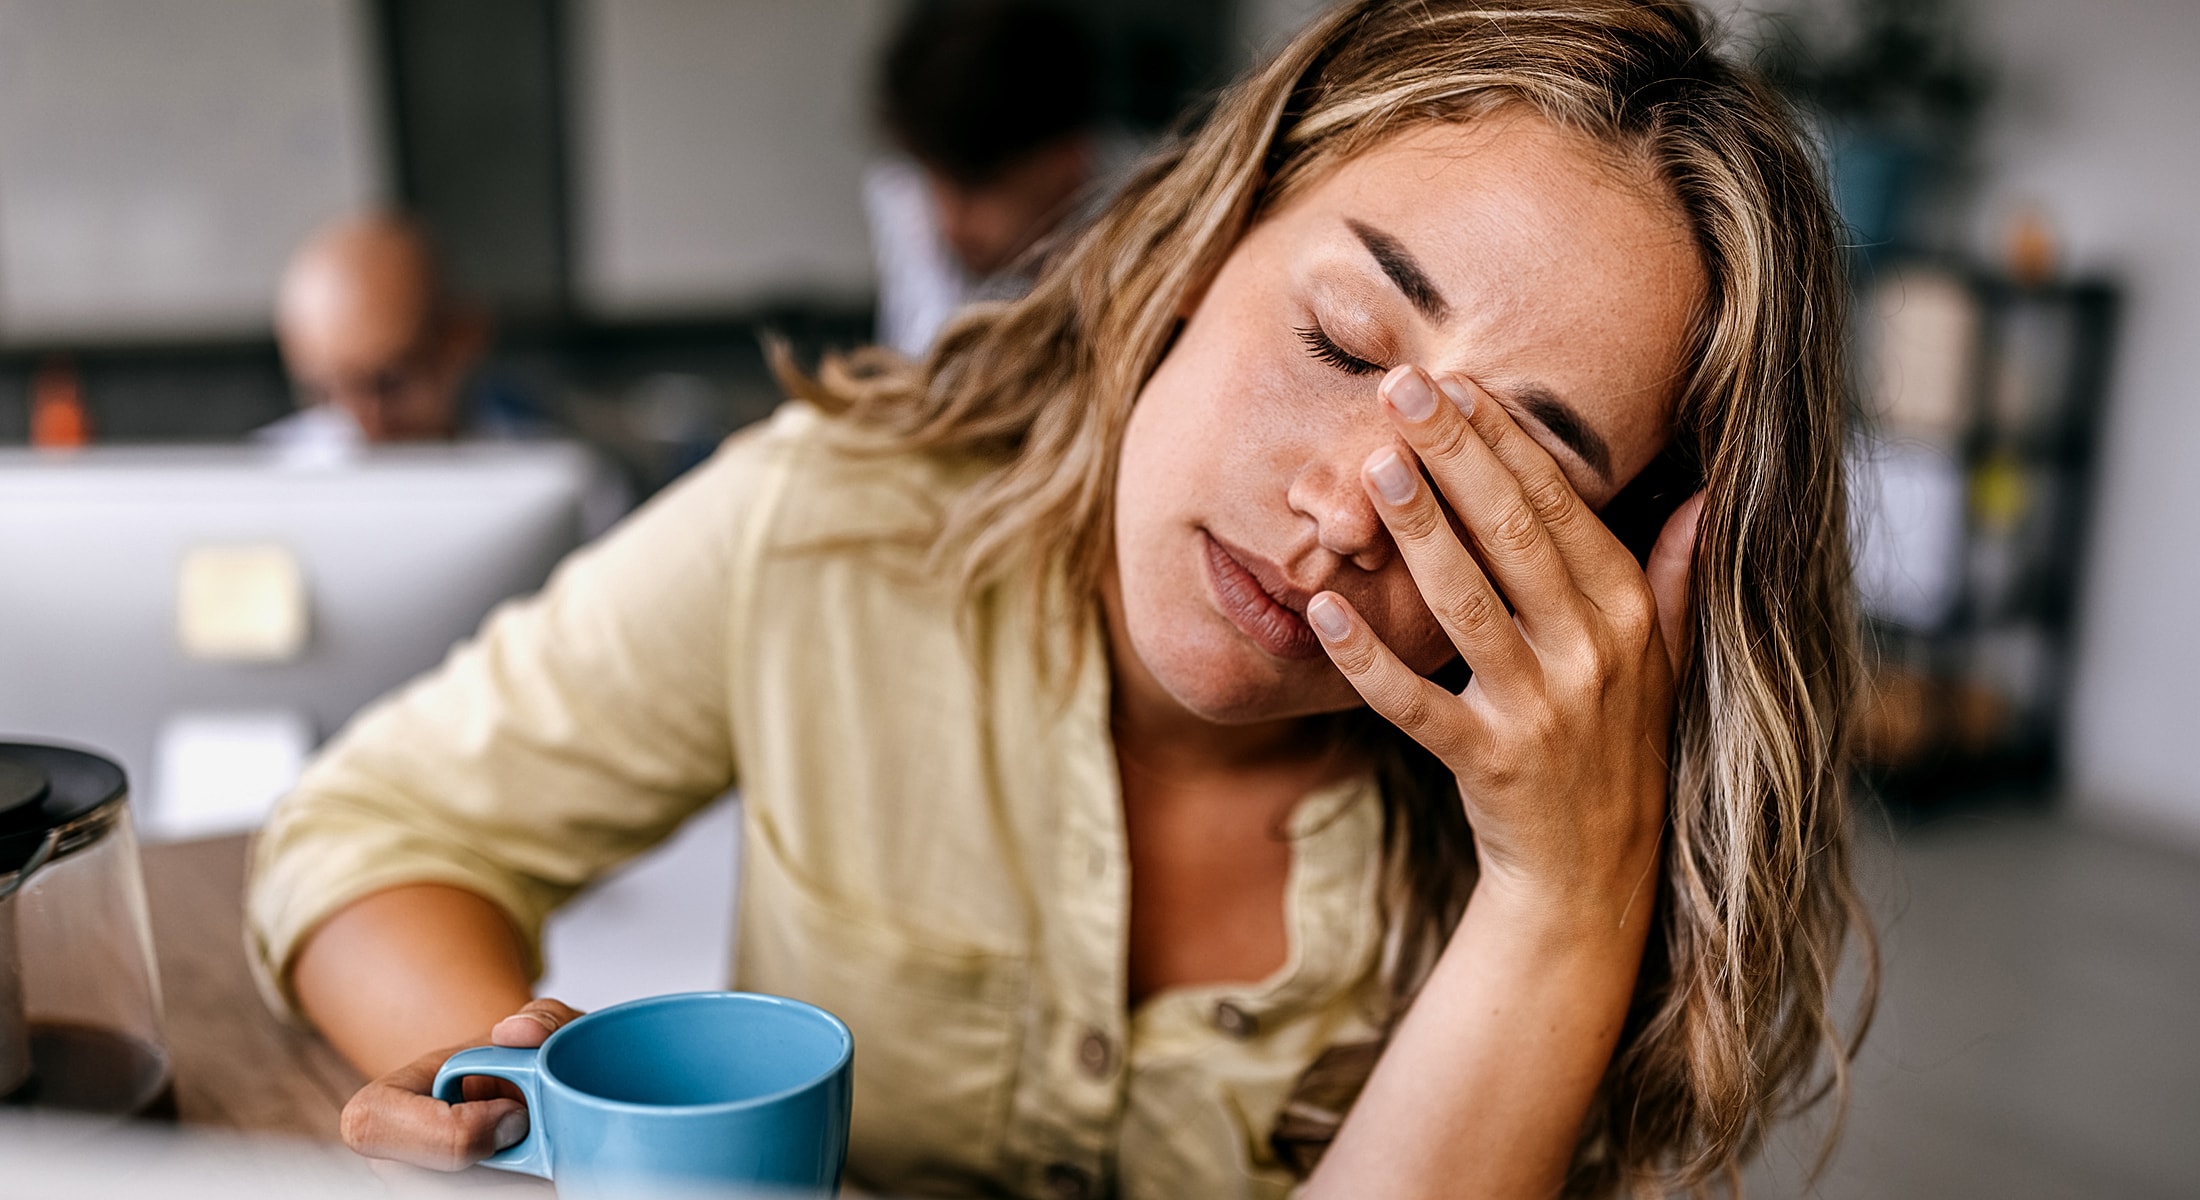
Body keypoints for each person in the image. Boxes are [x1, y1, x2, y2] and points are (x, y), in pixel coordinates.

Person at [248, 2, 1873, 1196]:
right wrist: (557, 1118)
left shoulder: (1570, 839)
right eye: (1341, 342)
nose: (1338, 516)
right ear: (1198, 241)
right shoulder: (835, 529)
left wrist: (1560, 910)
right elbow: (372, 835)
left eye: (1509, 478)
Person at [864, 0, 1103, 357]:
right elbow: (924, 367)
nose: (951, 221)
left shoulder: (1149, 209)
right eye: (935, 179)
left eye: (978, 187)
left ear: (1068, 160)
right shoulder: (906, 193)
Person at [260, 213, 541, 449]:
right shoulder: (264, 481)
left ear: (463, 339)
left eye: (387, 384)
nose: (361, 427)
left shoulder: (543, 465)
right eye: (324, 393)